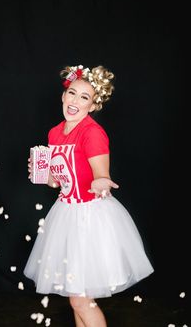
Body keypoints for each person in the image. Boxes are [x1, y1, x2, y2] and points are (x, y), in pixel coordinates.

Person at [23, 64, 154, 327]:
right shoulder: (54, 133)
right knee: (76, 298)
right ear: (63, 96)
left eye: (85, 98)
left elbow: (100, 174)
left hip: (90, 217)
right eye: (72, 93)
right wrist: (43, 174)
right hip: (67, 213)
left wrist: (102, 181)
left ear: (92, 106)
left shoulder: (92, 132)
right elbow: (58, 182)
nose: (75, 101)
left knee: (81, 300)